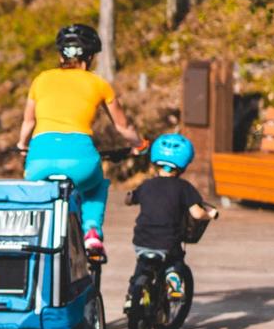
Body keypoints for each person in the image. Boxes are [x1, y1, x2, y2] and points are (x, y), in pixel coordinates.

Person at [15, 23, 146, 263]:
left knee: (36, 195)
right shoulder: (98, 83)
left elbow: (28, 122)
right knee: (95, 186)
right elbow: (123, 127)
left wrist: (22, 146)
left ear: (60, 55)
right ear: (90, 57)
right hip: (80, 160)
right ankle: (92, 231)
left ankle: (31, 235)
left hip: (39, 159)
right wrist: (140, 145)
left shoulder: (41, 80)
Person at [124, 133, 219, 303]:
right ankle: (173, 278)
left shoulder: (147, 185)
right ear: (184, 164)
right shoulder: (184, 188)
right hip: (167, 241)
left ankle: (132, 294)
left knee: (143, 264)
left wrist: (133, 198)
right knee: (175, 259)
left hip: (141, 239)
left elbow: (129, 199)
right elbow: (197, 213)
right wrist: (210, 214)